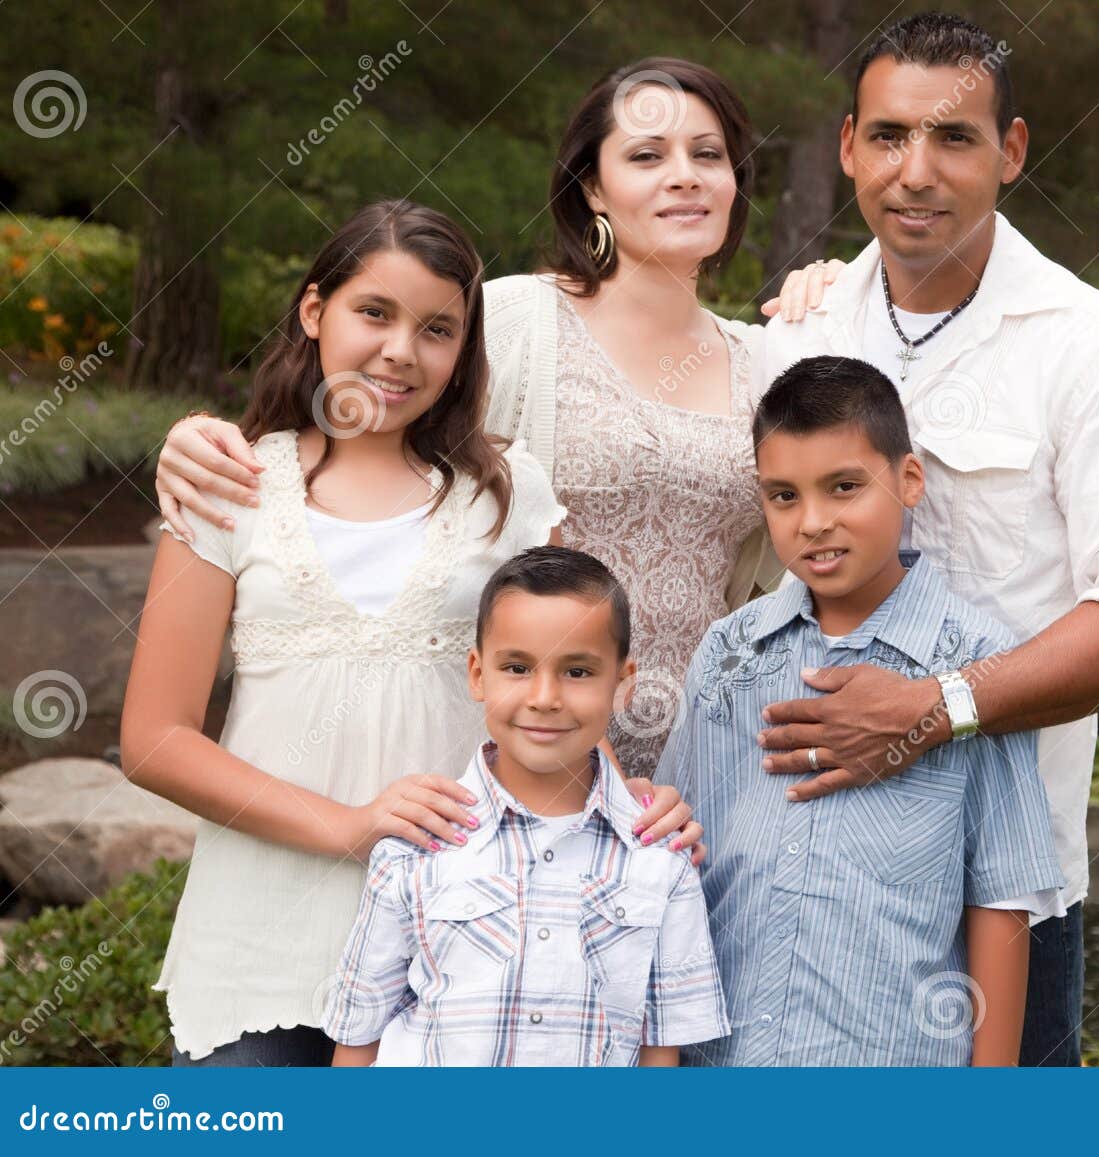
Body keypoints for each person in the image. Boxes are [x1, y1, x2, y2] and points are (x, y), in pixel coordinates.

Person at [119, 200, 695, 1066]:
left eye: (437, 328)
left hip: (464, 943)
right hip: (261, 938)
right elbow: (154, 739)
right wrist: (349, 825)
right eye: (374, 313)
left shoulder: (506, 494)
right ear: (316, 312)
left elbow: (558, 690)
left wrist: (638, 812)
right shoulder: (231, 481)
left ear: (465, 350)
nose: (400, 351)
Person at [151, 58, 840, 779]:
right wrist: (202, 434)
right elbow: (365, 430)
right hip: (514, 767)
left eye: (708, 155)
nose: (685, 175)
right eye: (646, 155)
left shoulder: (769, 358)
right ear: (593, 190)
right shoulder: (514, 321)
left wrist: (837, 292)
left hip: (707, 761)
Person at [755, 13, 1099, 1066]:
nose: (914, 171)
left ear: (1010, 150)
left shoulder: (1092, 349)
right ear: (847, 148)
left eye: (953, 138)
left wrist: (933, 711)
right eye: (886, 137)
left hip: (998, 893)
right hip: (796, 872)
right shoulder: (798, 332)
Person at [654, 356, 1063, 1066]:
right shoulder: (729, 652)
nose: (813, 522)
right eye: (783, 496)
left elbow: (1001, 898)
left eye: (844, 487)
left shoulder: (979, 664)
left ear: (909, 480)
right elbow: (674, 862)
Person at [321, 547, 728, 1066]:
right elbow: (359, 1036)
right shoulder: (416, 847)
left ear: (623, 685)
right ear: (477, 673)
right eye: (517, 667)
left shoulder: (662, 858)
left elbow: (659, 1051)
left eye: (577, 672)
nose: (544, 697)